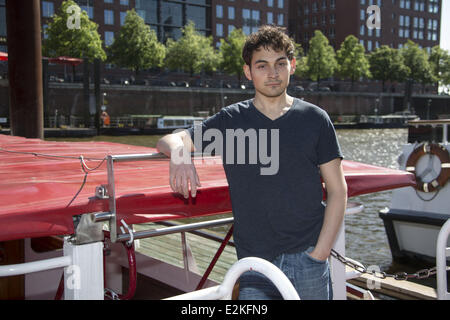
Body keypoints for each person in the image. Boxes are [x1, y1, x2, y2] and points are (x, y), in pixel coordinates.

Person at [156, 25, 347, 300]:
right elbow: (171, 140)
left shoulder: (316, 120)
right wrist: (180, 154)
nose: (273, 73)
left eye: (280, 63)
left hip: (307, 259)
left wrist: (319, 255)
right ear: (248, 72)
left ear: (292, 66)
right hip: (254, 266)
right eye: (262, 65)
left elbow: (338, 191)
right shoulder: (231, 121)